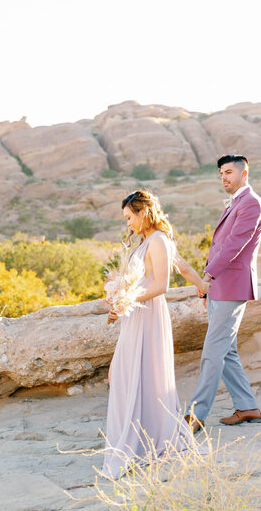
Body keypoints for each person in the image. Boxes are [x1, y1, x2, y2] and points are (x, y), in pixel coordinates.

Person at [102, 189, 209, 479]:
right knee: (123, 373)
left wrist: (126, 298)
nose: (127, 223)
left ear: (143, 213)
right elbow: (182, 266)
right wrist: (120, 298)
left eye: (129, 217)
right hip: (136, 314)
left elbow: (162, 284)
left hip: (148, 314)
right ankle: (139, 434)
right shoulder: (147, 240)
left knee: (138, 373)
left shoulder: (159, 240)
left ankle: (145, 439)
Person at [183, 154, 261, 434]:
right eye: (221, 173)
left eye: (229, 172)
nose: (224, 177)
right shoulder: (236, 202)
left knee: (213, 350)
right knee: (226, 350)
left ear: (244, 173)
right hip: (220, 286)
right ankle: (247, 406)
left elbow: (234, 244)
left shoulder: (251, 203)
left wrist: (207, 275)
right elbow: (219, 246)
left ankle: (196, 415)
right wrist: (209, 284)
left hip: (232, 285)